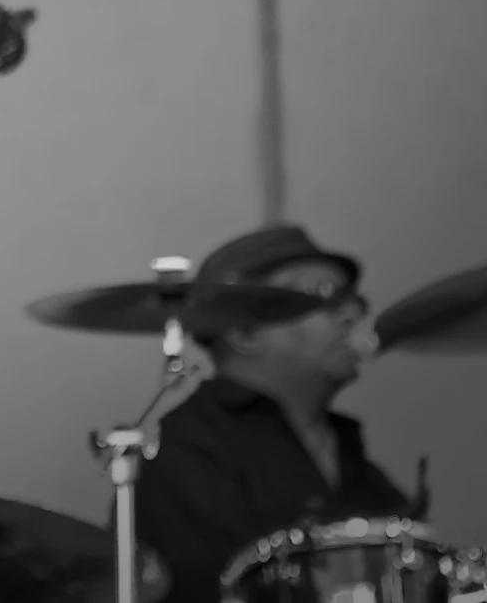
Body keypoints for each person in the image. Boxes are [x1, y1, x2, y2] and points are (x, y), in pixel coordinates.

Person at [139, 224, 413, 603]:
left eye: (353, 299)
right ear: (245, 331)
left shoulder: (356, 461)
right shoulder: (185, 449)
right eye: (324, 295)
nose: (351, 313)